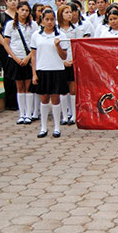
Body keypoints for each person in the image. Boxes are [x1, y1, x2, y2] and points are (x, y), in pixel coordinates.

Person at [30, 9, 69, 138]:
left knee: (56, 98)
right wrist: (34, 73)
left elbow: (64, 56)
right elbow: (34, 56)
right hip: (42, 70)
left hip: (57, 70)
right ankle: (43, 127)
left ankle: (57, 127)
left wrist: (58, 46)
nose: (50, 22)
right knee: (44, 99)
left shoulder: (61, 35)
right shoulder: (36, 35)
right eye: (47, 19)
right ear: (42, 20)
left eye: (52, 19)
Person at [2, 1, 39, 124]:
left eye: (27, 10)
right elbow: (6, 44)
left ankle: (29, 113)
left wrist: (28, 57)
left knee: (28, 86)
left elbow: (35, 44)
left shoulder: (33, 25)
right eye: (22, 10)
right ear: (17, 10)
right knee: (19, 87)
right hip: (15, 59)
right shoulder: (10, 25)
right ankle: (21, 114)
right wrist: (15, 57)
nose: (24, 13)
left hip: (28, 58)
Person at [0, 0, 19, 110]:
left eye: (15, 0)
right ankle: (10, 102)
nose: (13, 2)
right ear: (6, 2)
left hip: (19, 49)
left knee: (19, 74)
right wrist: (5, 44)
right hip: (5, 49)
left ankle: (20, 102)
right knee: (8, 74)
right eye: (10, 0)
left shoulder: (21, 15)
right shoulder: (1, 16)